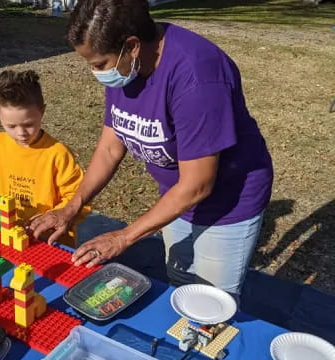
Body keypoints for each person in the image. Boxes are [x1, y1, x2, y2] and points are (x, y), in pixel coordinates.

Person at [28, 0, 273, 299]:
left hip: (227, 202)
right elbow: (109, 147)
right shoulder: (127, 65)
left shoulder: (197, 77)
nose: (96, 73)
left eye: (99, 64)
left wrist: (123, 237)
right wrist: (70, 208)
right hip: (175, 194)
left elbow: (197, 185)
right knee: (180, 278)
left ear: (131, 45)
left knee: (209, 302)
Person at [0, 69, 89, 247]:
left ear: (42, 111)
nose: (21, 133)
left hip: (50, 241)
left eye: (29, 124)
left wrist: (54, 216)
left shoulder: (57, 154)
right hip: (7, 232)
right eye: (11, 126)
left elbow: (78, 195)